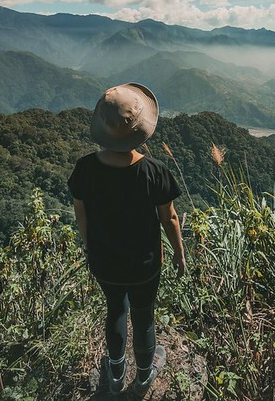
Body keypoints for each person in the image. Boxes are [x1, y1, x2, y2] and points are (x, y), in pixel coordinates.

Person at [67, 82, 186, 396]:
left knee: (115, 310)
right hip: (145, 263)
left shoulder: (85, 169)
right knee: (143, 314)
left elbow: (82, 216)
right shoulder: (155, 171)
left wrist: (88, 246)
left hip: (104, 261)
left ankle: (116, 374)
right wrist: (179, 253)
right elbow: (169, 218)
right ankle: (144, 376)